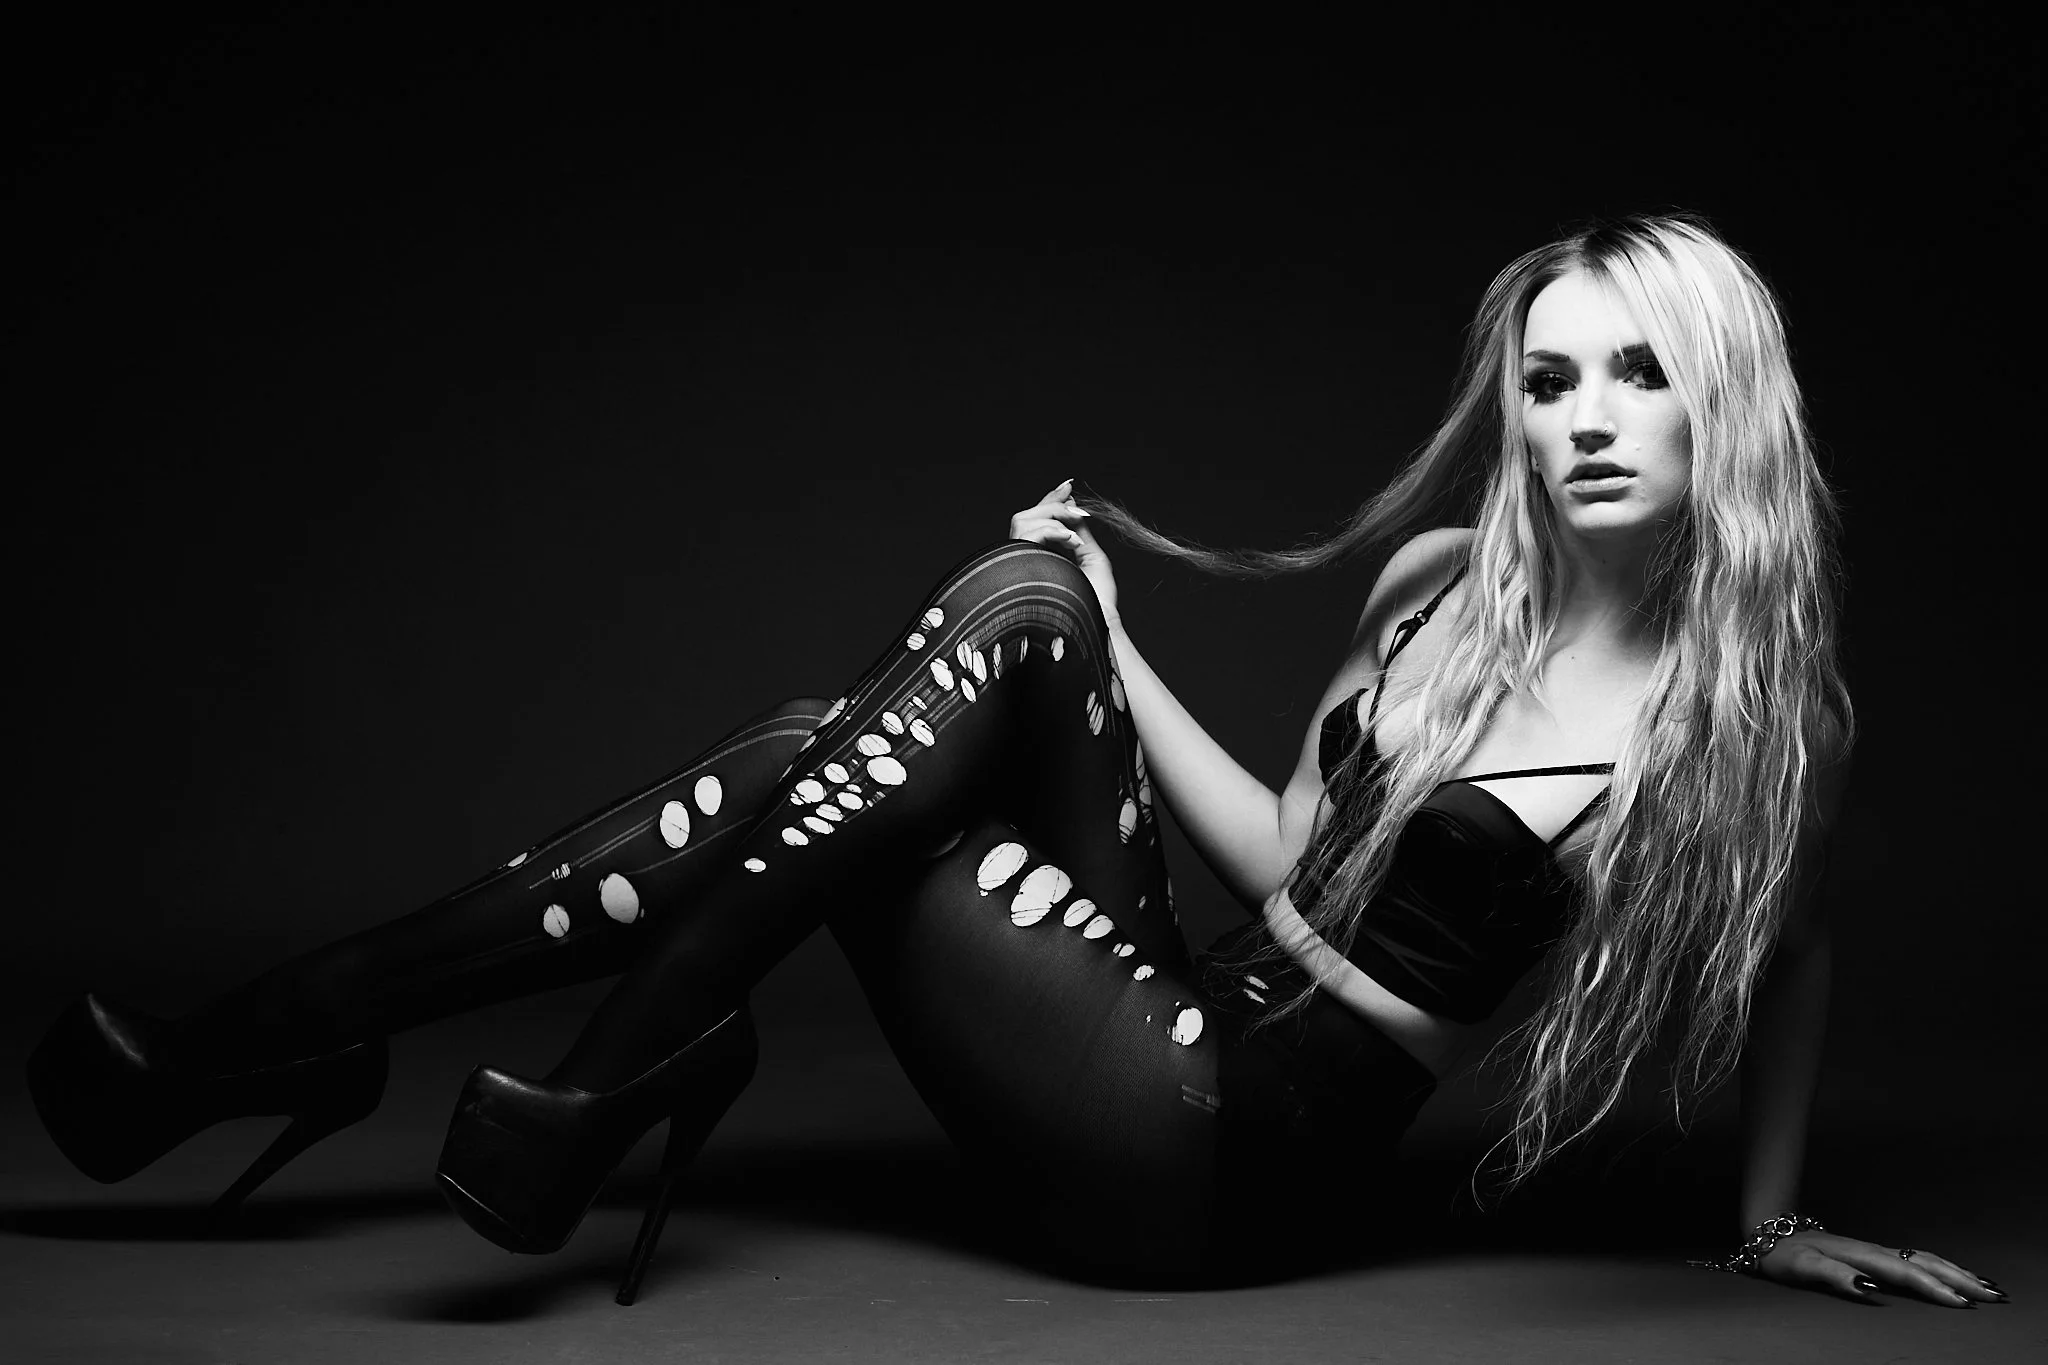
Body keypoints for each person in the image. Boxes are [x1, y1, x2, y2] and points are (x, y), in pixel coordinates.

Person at [27, 212, 2003, 1310]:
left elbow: (1798, 950)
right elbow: (1283, 851)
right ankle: (497, 1072)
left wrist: (1765, 1217)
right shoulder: (1436, 590)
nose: (1582, 417)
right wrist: (1126, 647)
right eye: (1548, 374)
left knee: (841, 743)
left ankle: (412, 1058)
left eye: (1636, 373)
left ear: (1716, 402)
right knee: (1018, 617)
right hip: (1158, 1007)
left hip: (1220, 1167)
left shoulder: (1728, 737)